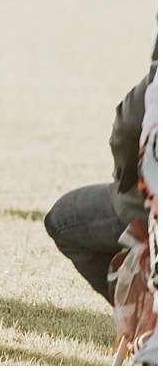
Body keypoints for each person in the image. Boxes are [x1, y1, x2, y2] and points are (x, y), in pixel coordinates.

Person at [44, 61, 157, 301]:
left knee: (63, 219)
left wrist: (125, 181)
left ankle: (144, 316)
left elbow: (126, 129)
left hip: (153, 209)